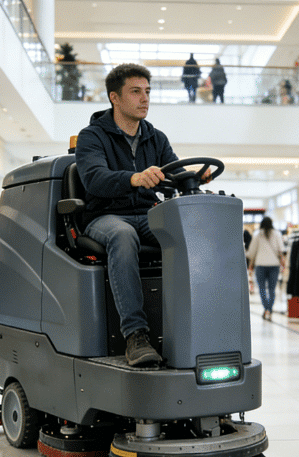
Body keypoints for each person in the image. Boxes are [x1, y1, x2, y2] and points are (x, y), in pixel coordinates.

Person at [75, 63, 212, 367]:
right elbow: (94, 179)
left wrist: (194, 177)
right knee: (123, 237)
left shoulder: (155, 137)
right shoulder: (92, 137)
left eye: (147, 91)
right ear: (115, 98)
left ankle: (199, 322)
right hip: (106, 217)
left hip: (148, 216)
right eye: (135, 92)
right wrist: (133, 178)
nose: (144, 98)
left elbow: (173, 172)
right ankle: (135, 335)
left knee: (189, 233)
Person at [247, 217, 285, 321]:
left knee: (262, 289)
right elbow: (281, 250)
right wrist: (283, 263)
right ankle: (269, 309)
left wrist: (251, 264)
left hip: (260, 265)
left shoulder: (257, 234)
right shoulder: (277, 234)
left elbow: (251, 252)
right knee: (272, 289)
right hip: (274, 265)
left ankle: (266, 309)